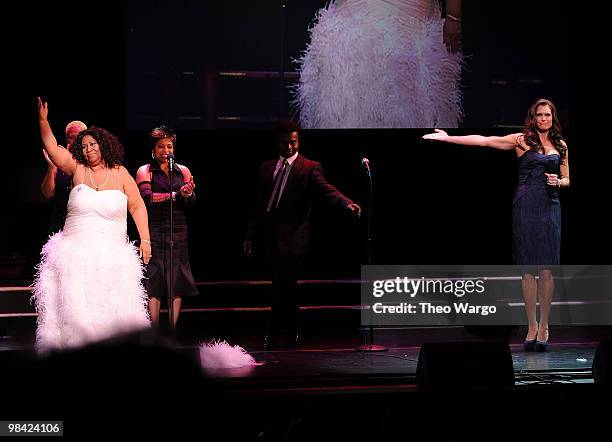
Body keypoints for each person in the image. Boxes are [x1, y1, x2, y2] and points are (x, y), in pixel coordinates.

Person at [423, 98, 570, 351]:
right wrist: (448, 138)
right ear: (532, 118)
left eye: (547, 115)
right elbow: (484, 140)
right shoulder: (521, 140)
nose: (543, 119)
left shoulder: (561, 145)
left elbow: (568, 179)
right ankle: (531, 326)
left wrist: (559, 182)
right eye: (539, 115)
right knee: (527, 269)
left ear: (552, 117)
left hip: (550, 206)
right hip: (525, 206)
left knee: (547, 269)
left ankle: (545, 326)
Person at [32, 97, 151, 353]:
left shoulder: (120, 173)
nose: (88, 150)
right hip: (75, 256)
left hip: (111, 257)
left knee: (110, 314)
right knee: (78, 316)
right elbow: (52, 146)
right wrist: (43, 121)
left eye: (92, 144)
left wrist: (146, 239)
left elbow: (137, 206)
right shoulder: (76, 168)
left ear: (103, 144)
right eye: (84, 146)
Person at [243, 121, 361, 349]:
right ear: (277, 142)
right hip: (271, 237)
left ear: (299, 142)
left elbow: (326, 189)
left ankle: (289, 329)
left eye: (293, 142)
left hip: (295, 237)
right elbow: (259, 205)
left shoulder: (309, 167)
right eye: (285, 142)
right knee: (278, 285)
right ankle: (278, 330)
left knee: (288, 286)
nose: (289, 147)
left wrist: (346, 203)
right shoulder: (267, 168)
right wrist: (249, 235)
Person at [293, 0, 463, 128]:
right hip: (353, 18)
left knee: (408, 106)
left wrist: (453, 16)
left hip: (410, 20)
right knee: (348, 106)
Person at [135, 126, 198, 329]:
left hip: (178, 230)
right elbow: (147, 199)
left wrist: (188, 194)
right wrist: (176, 195)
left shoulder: (183, 170)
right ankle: (154, 330)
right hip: (154, 230)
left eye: (169, 146)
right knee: (154, 281)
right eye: (161, 146)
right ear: (153, 149)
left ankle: (171, 329)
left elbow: (191, 202)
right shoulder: (145, 171)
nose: (165, 150)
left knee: (175, 281)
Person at [41, 120, 87, 234]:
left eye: (79, 137)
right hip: (59, 225)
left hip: (83, 224)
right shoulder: (59, 161)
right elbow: (47, 194)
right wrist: (52, 167)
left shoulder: (92, 162)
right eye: (72, 137)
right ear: (67, 139)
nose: (76, 141)